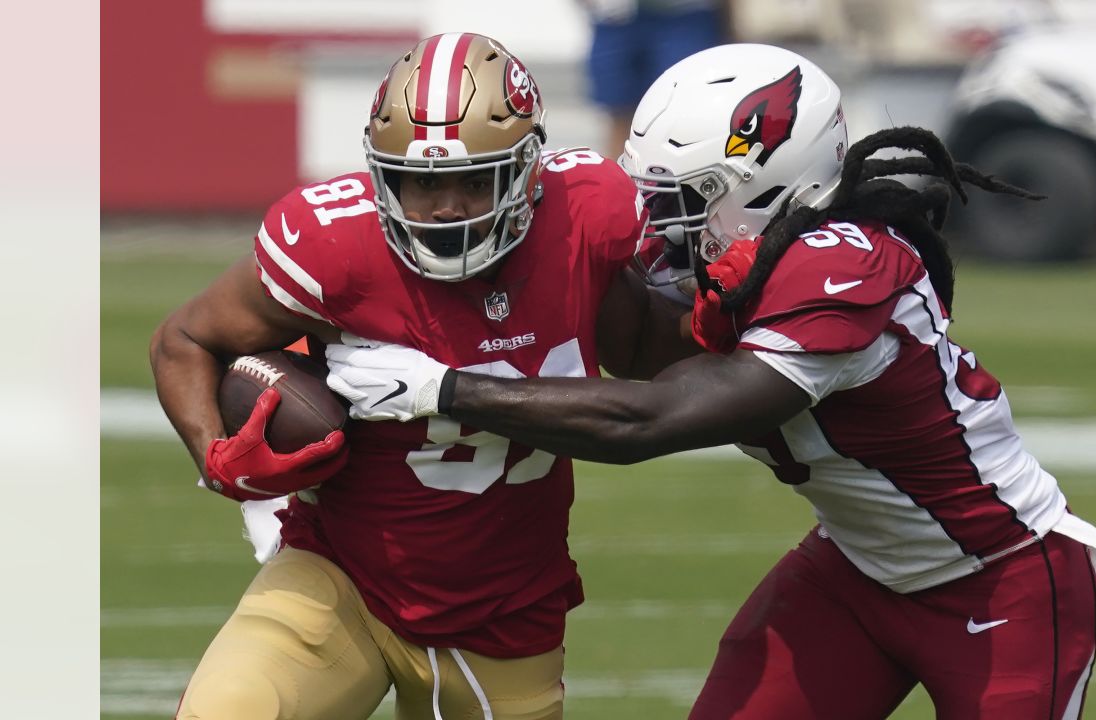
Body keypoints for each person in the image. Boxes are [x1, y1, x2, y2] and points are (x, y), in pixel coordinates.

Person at [325, 44, 1096, 719]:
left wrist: (446, 389)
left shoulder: (844, 265)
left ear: (764, 189)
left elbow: (654, 420)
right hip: (858, 571)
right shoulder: (749, 263)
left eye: (680, 200)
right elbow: (635, 344)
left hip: (1002, 580)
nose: (653, 224)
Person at [149, 32, 693, 720]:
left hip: (505, 617)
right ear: (383, 175)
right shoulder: (335, 245)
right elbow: (185, 338)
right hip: (338, 575)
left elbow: (646, 352)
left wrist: (728, 318)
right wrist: (218, 457)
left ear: (530, 172)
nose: (446, 208)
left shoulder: (588, 214)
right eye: (424, 182)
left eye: (475, 180)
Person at [578, 0, 730, 159]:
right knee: (619, 113)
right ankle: (620, 180)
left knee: (686, 109)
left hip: (685, 13)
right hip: (616, 14)